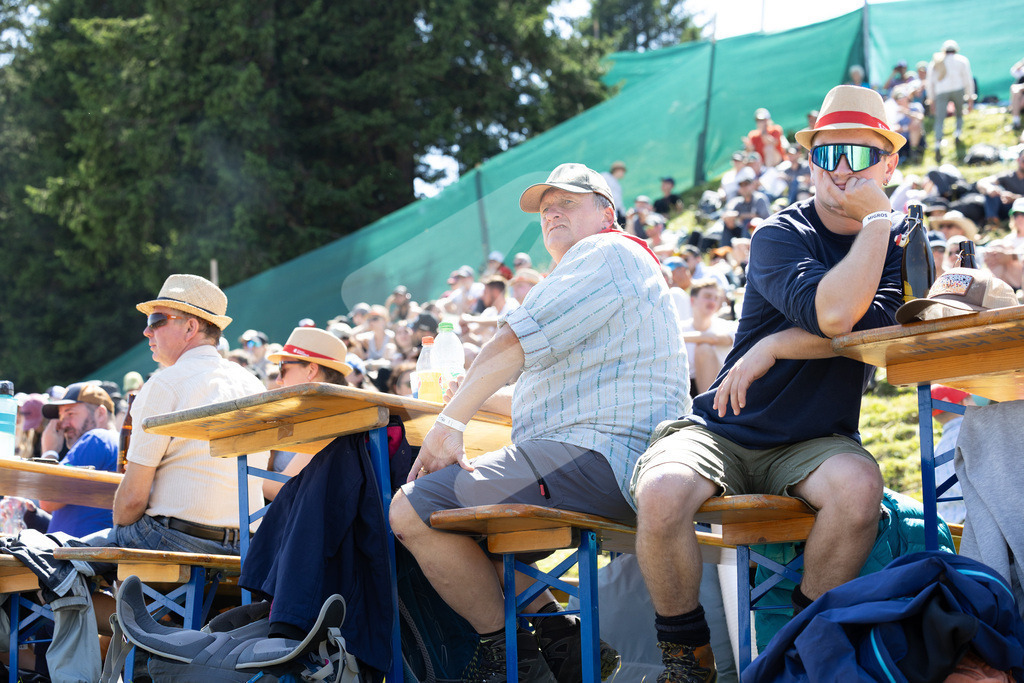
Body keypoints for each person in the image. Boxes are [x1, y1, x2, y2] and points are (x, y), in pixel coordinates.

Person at [631, 85, 905, 682]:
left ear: (888, 165)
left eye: (858, 155)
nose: (839, 171)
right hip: (725, 428)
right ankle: (687, 658)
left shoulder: (898, 240)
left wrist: (779, 342)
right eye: (825, 154)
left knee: (860, 491)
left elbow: (883, 331)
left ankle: (801, 651)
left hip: (814, 441)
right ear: (808, 163)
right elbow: (839, 317)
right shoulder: (778, 234)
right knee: (661, 491)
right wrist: (879, 224)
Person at [389, 163, 688, 683]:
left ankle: (509, 655)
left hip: (600, 457)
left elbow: (510, 343)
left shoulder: (606, 252)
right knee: (471, 529)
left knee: (410, 510)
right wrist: (473, 401)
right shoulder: (609, 268)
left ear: (605, 211)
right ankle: (560, 639)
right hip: (611, 459)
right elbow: (549, 393)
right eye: (546, 207)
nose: (551, 211)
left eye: (568, 201)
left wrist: (449, 423)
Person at [9, 274, 271, 682]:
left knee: (44, 562)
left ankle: (74, 666)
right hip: (246, 547)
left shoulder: (165, 384)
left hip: (173, 538)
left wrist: (116, 529)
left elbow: (131, 502)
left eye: (158, 319)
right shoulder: (254, 383)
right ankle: (153, 639)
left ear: (191, 327)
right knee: (69, 558)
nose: (146, 330)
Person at [261, 326, 352, 500]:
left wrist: (231, 471)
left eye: (283, 368)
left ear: (311, 371)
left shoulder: (331, 418)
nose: (278, 380)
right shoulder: (309, 415)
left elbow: (284, 489)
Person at [37, 382, 119, 537]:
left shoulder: (97, 438)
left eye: (70, 414)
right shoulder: (114, 442)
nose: (63, 424)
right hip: (82, 554)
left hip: (74, 557)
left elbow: (48, 499)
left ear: (100, 414)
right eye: (61, 417)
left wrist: (49, 452)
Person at [681, 280, 737, 397]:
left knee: (704, 349)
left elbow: (716, 339)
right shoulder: (681, 328)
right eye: (707, 296)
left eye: (716, 298)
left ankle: (708, 410)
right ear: (693, 300)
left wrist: (679, 337)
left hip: (720, 389)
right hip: (688, 388)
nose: (712, 301)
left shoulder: (727, 326)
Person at [926, 40, 974, 161]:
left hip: (941, 91)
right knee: (959, 114)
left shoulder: (935, 62)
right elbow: (968, 79)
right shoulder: (962, 60)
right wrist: (970, 97)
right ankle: (957, 133)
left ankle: (938, 144)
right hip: (958, 89)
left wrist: (931, 99)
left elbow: (930, 82)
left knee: (940, 119)